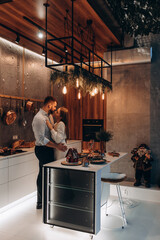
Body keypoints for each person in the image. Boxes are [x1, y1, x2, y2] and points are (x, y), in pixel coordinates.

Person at [32, 96, 67, 209]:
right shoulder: (39, 118)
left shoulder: (49, 117)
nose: (55, 108)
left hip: (49, 148)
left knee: (46, 174)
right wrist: (57, 146)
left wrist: (59, 143)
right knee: (44, 174)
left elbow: (53, 133)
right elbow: (42, 140)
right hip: (42, 149)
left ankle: (46, 200)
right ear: (49, 105)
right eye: (55, 106)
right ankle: (41, 202)